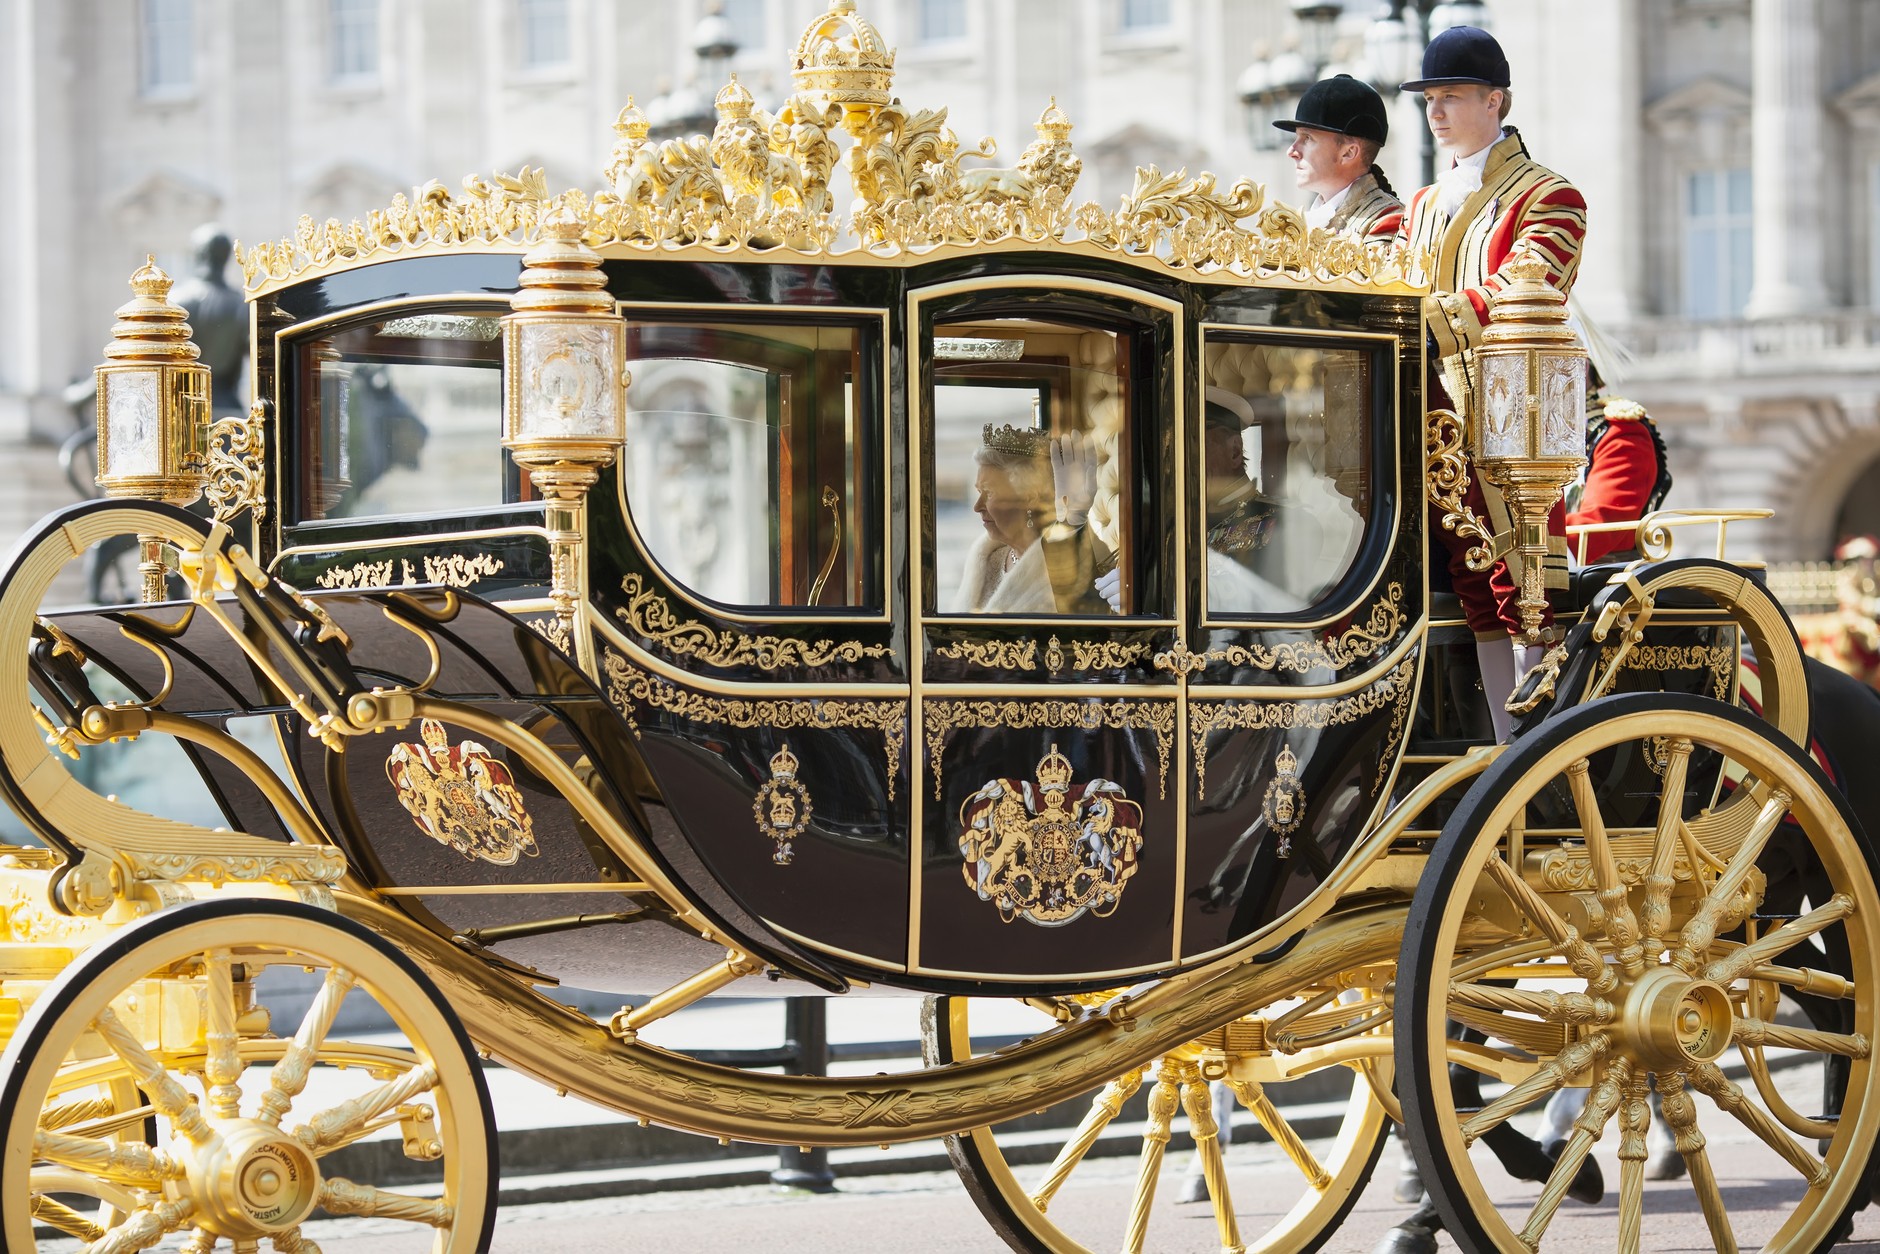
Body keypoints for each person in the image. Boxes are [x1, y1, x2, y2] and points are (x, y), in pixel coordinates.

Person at [1397, 25, 1590, 741]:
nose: (1437, 111)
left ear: (1495, 100)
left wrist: (1417, 323)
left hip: (1508, 413)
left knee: (1520, 584)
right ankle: (1490, 745)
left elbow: (1526, 283)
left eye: (1452, 97)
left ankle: (1535, 748)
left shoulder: (1549, 195)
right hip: (1422, 411)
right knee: (1466, 586)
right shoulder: (1421, 205)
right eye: (1430, 100)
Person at [952, 424, 1111, 614]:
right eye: (979, 491)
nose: (977, 507)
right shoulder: (985, 560)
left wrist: (1073, 524)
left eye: (989, 492)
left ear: (1029, 496)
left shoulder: (1078, 558)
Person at [1273, 73, 1402, 240]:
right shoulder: (1307, 222)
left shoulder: (1386, 221)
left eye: (1308, 138)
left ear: (1349, 153)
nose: (1292, 151)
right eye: (1296, 138)